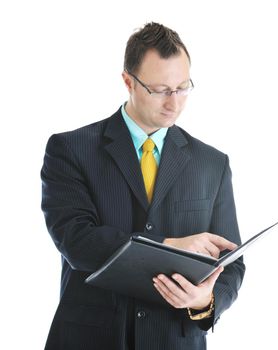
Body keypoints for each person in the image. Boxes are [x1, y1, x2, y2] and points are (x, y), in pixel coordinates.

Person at [41, 22, 245, 350]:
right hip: (91, 339)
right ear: (128, 82)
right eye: (161, 90)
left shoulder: (212, 163)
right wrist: (168, 244)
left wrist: (203, 300)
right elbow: (76, 240)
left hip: (174, 339)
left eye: (182, 87)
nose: (174, 103)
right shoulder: (71, 150)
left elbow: (231, 261)